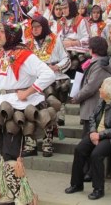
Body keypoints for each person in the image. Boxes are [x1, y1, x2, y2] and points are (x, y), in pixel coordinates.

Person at [0, 22, 55, 205]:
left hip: (17, 108)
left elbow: (48, 75)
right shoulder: (2, 54)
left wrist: (28, 92)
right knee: (4, 151)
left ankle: (20, 198)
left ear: (12, 35)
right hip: (1, 104)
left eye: (2, 31)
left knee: (11, 151)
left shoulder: (25, 54)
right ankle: (10, 194)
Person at [65, 77, 111, 200]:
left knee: (96, 154)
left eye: (102, 87)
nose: (99, 89)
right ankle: (76, 184)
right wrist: (93, 132)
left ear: (109, 92)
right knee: (79, 149)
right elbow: (92, 118)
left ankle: (98, 188)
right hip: (96, 134)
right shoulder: (102, 101)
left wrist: (99, 135)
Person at [22, 15, 70, 157]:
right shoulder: (29, 42)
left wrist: (57, 67)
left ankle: (47, 144)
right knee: (31, 111)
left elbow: (66, 58)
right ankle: (30, 144)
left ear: (44, 27)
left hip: (52, 80)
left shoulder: (55, 40)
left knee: (48, 111)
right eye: (33, 27)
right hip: (34, 82)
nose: (35, 30)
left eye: (38, 27)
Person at [71, 36, 111, 135]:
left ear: (93, 49)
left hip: (94, 108)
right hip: (94, 108)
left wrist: (77, 97)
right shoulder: (100, 62)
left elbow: (91, 87)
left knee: (86, 144)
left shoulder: (100, 65)